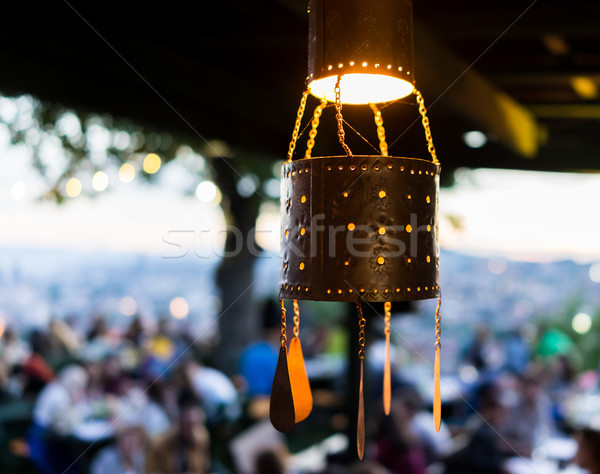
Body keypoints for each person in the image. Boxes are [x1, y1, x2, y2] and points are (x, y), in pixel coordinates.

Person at [27, 365, 88, 474]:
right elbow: (68, 421)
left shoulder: (55, 388)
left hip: (48, 435)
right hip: (41, 438)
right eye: (78, 386)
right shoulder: (58, 393)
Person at [145, 390, 210, 473]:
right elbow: (151, 470)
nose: (193, 430)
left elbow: (203, 469)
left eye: (196, 425)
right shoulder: (158, 442)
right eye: (188, 425)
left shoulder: (202, 437)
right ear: (180, 421)